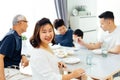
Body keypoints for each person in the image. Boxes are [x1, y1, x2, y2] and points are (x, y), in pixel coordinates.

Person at [0, 14, 31, 80]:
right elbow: (0, 57)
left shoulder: (18, 37)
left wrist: (23, 56)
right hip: (8, 72)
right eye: (26, 22)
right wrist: (2, 78)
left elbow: (21, 49)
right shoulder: (11, 37)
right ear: (20, 22)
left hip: (14, 72)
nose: (27, 25)